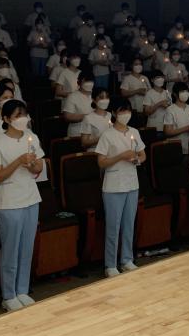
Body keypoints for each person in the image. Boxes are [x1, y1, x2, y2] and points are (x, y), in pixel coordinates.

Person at [0, 100, 44, 312]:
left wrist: (34, 164)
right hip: (9, 202)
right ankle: (8, 294)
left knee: (27, 248)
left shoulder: (32, 137)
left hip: (30, 198)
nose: (23, 118)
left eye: (25, 114)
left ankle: (22, 290)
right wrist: (19, 161)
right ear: (6, 119)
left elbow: (39, 167)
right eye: (17, 115)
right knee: (10, 249)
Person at [95, 97, 145, 277]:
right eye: (122, 111)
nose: (126, 115)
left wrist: (136, 159)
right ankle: (110, 264)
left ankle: (127, 259)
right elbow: (101, 161)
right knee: (113, 226)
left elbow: (143, 155)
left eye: (128, 111)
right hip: (113, 186)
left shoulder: (134, 132)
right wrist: (120, 156)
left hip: (131, 183)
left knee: (129, 223)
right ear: (115, 113)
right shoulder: (108, 135)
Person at [163, 82, 189, 155]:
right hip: (176, 148)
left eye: (186, 91)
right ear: (175, 94)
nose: (185, 93)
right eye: (182, 91)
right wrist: (186, 128)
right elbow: (167, 132)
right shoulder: (170, 110)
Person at [61, 71, 94, 138]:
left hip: (93, 133)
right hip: (77, 133)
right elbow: (67, 116)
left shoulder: (96, 95)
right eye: (85, 81)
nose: (89, 83)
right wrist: (88, 117)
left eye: (90, 81)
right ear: (79, 82)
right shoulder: (72, 96)